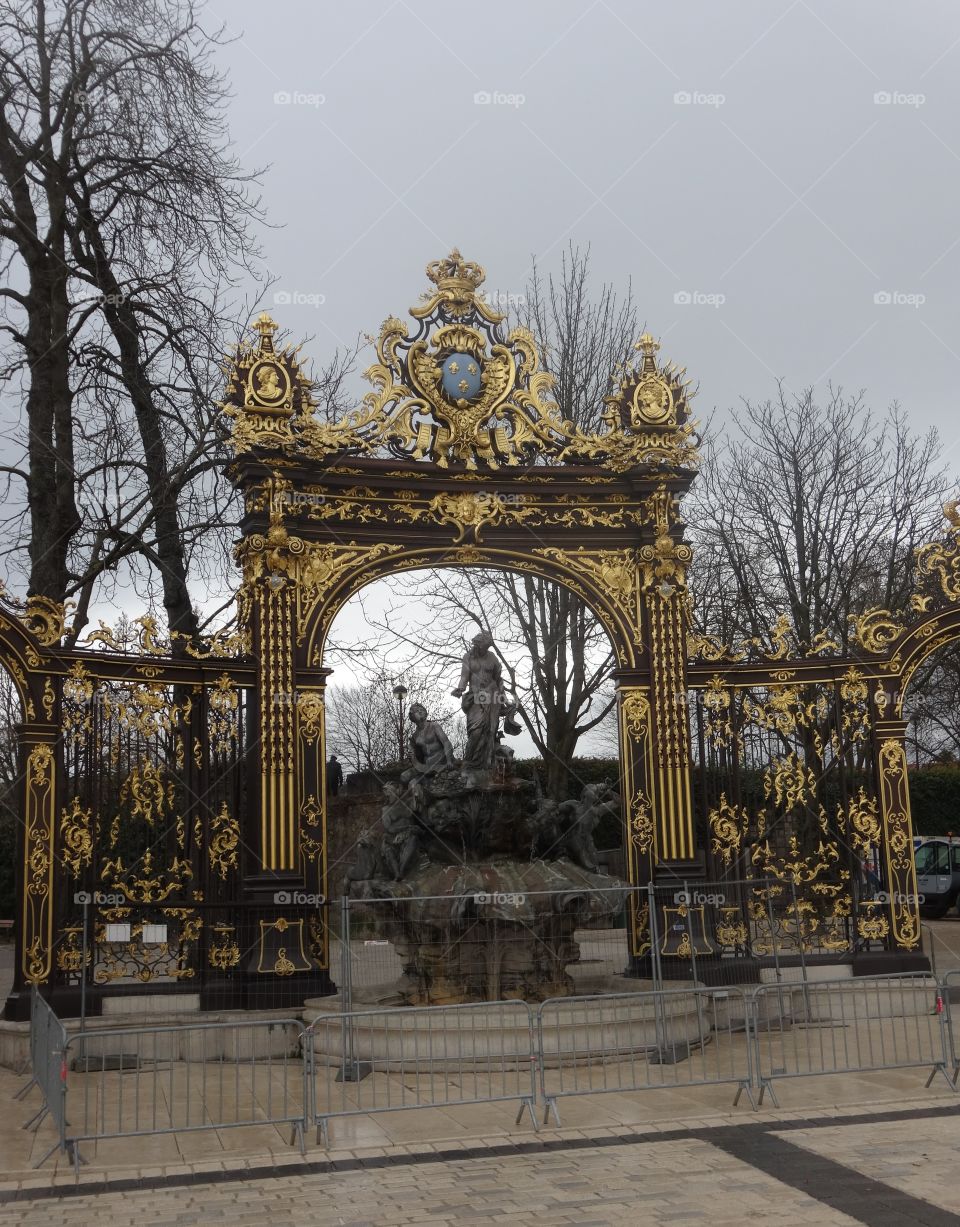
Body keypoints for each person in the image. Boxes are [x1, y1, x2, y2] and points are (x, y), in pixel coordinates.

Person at [451, 629, 520, 774]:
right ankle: (469, 763)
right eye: (484, 645)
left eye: (488, 646)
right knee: (475, 731)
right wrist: (460, 688)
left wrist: (505, 700)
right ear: (478, 643)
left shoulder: (493, 658)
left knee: (490, 731)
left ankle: (487, 766)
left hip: (492, 696)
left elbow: (498, 680)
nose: (486, 648)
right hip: (476, 697)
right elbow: (464, 676)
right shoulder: (468, 657)